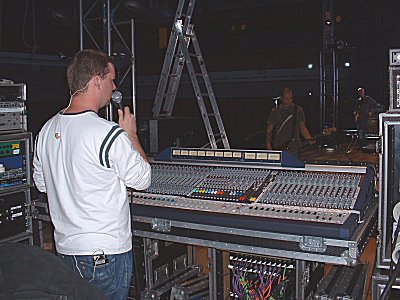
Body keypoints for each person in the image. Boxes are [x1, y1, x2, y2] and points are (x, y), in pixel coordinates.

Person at [33, 49, 151, 300]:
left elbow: (42, 184)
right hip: (105, 254)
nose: (114, 85)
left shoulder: (46, 130)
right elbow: (143, 179)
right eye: (111, 78)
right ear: (97, 80)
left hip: (66, 251)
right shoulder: (107, 133)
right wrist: (131, 135)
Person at [266, 87, 314, 152]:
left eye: (291, 98)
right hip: (278, 145)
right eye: (286, 99)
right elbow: (269, 130)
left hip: (294, 146)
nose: (289, 101)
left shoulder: (298, 110)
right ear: (281, 98)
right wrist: (268, 145)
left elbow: (302, 127)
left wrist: (309, 138)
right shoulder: (275, 111)